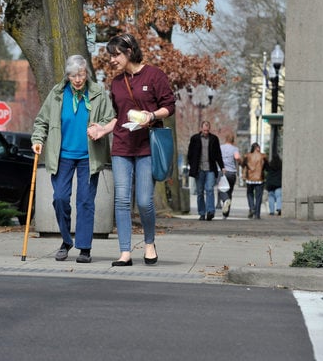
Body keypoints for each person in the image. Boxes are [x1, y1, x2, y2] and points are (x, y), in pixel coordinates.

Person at [87, 34, 176, 267]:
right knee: (122, 201)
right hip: (122, 147)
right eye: (110, 56)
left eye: (116, 55)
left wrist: (153, 115)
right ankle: (125, 252)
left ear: (129, 52)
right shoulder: (116, 83)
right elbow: (119, 116)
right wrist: (103, 130)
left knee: (145, 201)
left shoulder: (154, 75)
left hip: (147, 146)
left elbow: (170, 105)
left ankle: (149, 243)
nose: (112, 60)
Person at [31, 55, 116, 263]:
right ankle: (66, 240)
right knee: (59, 198)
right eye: (73, 75)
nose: (78, 79)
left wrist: (101, 130)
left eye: (81, 74)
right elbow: (42, 121)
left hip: (90, 156)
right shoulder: (57, 93)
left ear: (86, 73)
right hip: (63, 156)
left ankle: (85, 247)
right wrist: (37, 139)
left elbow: (110, 118)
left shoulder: (97, 93)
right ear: (67, 76)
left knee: (86, 201)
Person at [187, 121, 225, 221]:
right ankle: (202, 213)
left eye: (207, 130)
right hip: (199, 169)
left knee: (209, 189)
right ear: (201, 128)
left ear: (209, 129)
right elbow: (190, 153)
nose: (206, 132)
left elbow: (218, 154)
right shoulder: (195, 138)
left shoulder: (214, 139)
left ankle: (210, 212)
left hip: (210, 169)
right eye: (204, 130)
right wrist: (191, 165)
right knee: (199, 192)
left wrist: (222, 167)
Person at [241, 142, 268, 219]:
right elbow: (267, 166)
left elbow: (243, 164)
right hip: (260, 178)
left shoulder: (247, 156)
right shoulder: (263, 156)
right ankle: (257, 214)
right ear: (258, 148)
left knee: (249, 194)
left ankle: (252, 207)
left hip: (250, 178)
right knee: (258, 196)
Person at [219, 133, 241, 219]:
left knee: (222, 190)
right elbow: (237, 157)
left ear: (226, 139)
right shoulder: (235, 148)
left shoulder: (221, 147)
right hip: (232, 173)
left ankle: (225, 200)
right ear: (233, 140)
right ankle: (226, 214)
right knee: (229, 192)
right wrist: (241, 162)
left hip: (223, 172)